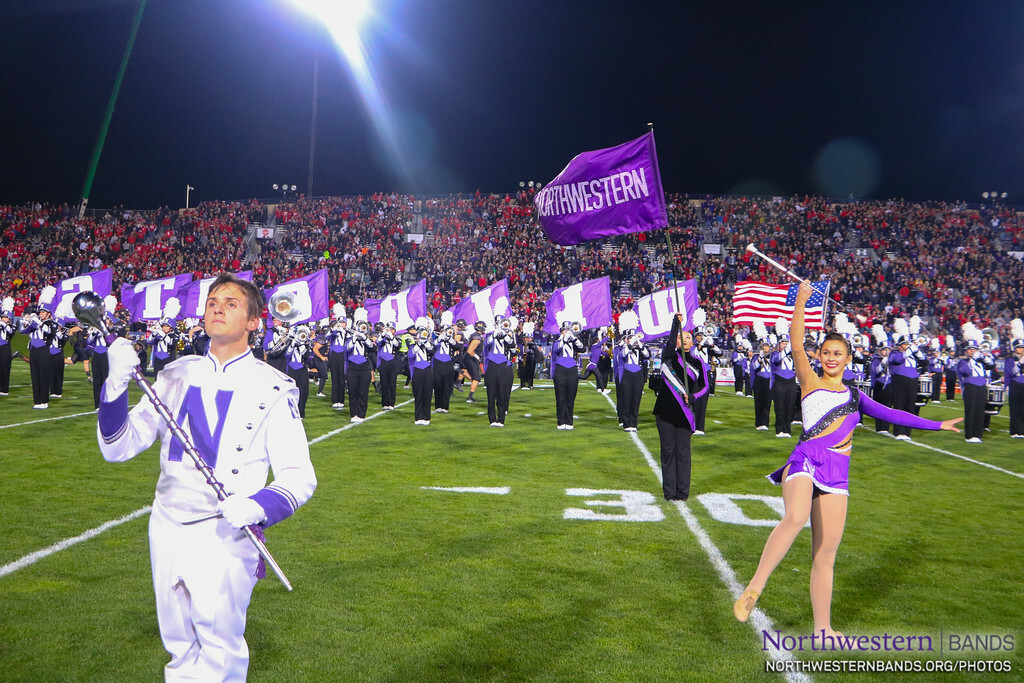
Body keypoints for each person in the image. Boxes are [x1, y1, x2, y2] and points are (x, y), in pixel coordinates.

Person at [95, 272, 316, 681]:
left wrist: (255, 506)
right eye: (213, 300)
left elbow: (299, 476)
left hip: (225, 532)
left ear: (254, 321)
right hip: (166, 523)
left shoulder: (274, 387)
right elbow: (117, 446)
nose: (218, 306)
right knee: (178, 647)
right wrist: (113, 385)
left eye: (231, 303)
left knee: (219, 648)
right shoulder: (174, 373)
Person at [733, 281, 961, 638]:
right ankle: (754, 589)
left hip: (837, 475)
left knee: (825, 554)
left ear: (847, 359)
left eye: (838, 354)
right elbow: (795, 341)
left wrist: (937, 424)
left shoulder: (855, 396)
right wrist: (801, 302)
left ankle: (823, 628)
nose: (831, 358)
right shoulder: (809, 380)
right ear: (820, 356)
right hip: (805, 462)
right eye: (826, 352)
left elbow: (894, 414)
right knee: (795, 516)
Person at [652, 313, 708, 501]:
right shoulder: (668, 355)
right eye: (681, 337)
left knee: (683, 454)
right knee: (668, 452)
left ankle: (682, 493)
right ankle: (669, 493)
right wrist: (676, 323)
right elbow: (669, 341)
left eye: (688, 337)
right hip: (665, 412)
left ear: (692, 343)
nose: (684, 339)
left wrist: (693, 397)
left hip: (685, 413)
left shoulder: (697, 362)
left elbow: (706, 386)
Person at [956, 337, 994, 444]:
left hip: (981, 387)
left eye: (974, 349)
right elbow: (965, 371)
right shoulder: (963, 361)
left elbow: (991, 366)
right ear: (966, 351)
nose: (972, 351)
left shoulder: (981, 361)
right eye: (969, 349)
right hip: (970, 387)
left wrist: (985, 357)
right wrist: (973, 359)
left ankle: (977, 434)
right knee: (971, 411)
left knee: (980, 411)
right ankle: (969, 435)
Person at [551, 319, 586, 430]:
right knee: (560, 397)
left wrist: (574, 338)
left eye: (568, 330)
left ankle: (569, 421)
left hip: (572, 369)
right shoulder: (557, 341)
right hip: (560, 369)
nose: (567, 332)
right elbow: (556, 350)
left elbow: (583, 348)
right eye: (565, 330)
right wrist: (564, 339)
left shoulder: (573, 341)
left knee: (571, 396)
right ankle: (561, 421)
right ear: (561, 331)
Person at [483, 313, 516, 427]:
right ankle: (492, 419)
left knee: (502, 393)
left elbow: (513, 346)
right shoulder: (490, 335)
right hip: (492, 365)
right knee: (491, 393)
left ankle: (501, 419)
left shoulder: (509, 335)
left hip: (503, 365)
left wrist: (505, 336)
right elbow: (487, 344)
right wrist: (494, 335)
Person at [345, 311, 373, 423]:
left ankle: (361, 414)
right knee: (352, 392)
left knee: (363, 392)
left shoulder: (367, 338)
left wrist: (364, 338)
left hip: (364, 367)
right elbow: (347, 349)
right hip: (352, 367)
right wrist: (354, 337)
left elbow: (372, 347)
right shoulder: (350, 337)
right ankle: (353, 414)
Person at [408, 318, 435, 425]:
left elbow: (433, 352)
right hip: (417, 371)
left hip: (428, 370)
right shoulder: (412, 343)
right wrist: (418, 344)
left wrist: (426, 343)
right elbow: (410, 355)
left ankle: (426, 417)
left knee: (427, 394)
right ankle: (418, 417)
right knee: (418, 394)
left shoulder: (430, 343)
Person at [376, 322, 401, 411]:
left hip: (393, 362)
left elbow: (397, 345)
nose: (390, 330)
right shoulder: (382, 338)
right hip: (383, 362)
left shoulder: (397, 338)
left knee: (392, 383)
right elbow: (377, 342)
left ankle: (391, 403)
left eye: (392, 329)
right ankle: (385, 403)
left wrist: (391, 336)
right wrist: (383, 334)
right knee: (384, 383)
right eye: (389, 329)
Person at [462, 321, 485, 404]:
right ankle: (470, 397)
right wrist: (478, 358)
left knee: (473, 377)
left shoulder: (475, 335)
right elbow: (470, 351)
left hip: (469, 358)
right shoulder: (477, 338)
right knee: (476, 378)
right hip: (471, 358)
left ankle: (459, 372)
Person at [1007, 333, 1024, 438]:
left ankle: (1022, 431)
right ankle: (1014, 431)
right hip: (1015, 384)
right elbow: (1011, 372)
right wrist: (1020, 363)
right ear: (1015, 348)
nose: (1022, 349)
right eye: (1019, 347)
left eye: (1023, 347)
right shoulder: (1010, 359)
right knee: (1015, 408)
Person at [0, 303, 14, 396]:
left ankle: (4, 389)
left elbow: (10, 331)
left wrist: (2, 323)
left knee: (4, 368)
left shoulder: (11, 326)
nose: (3, 319)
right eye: (2, 317)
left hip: (5, 348)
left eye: (6, 317)